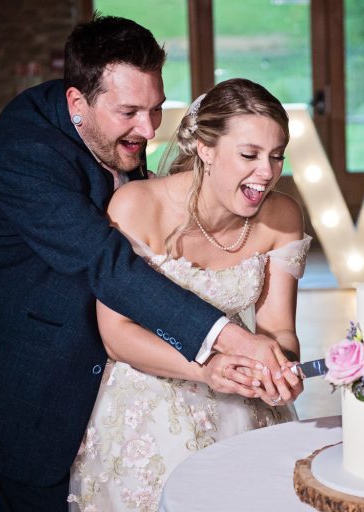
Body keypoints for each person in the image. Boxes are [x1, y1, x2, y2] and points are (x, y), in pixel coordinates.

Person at [0, 16, 294, 511]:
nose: (149, 129)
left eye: (156, 108)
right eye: (130, 112)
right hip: (19, 380)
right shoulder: (22, 156)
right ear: (78, 102)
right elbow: (108, 264)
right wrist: (233, 339)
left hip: (101, 377)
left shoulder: (108, 126)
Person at [67, 77, 310, 511]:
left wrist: (281, 369)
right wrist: (206, 370)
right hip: (149, 401)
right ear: (205, 148)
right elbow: (117, 335)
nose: (267, 172)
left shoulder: (282, 216)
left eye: (277, 156)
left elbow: (278, 328)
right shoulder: (136, 206)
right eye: (249, 154)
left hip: (243, 403)